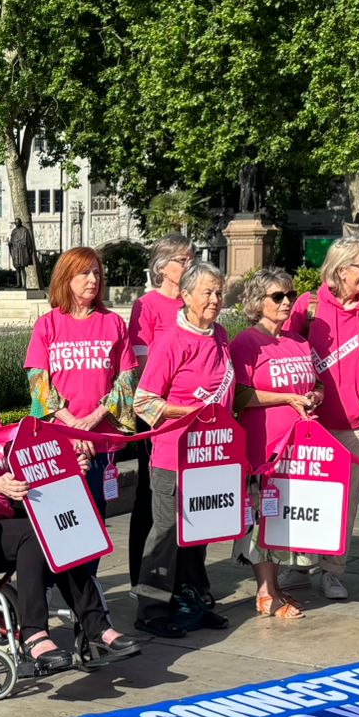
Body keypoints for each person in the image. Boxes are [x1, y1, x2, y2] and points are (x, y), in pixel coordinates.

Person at [0, 344, 140, 667]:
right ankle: (34, 635)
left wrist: (67, 465)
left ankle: (97, 627)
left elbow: (22, 463)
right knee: (35, 535)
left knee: (58, 527)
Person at [287, 238, 359, 598]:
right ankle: (299, 566)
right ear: (341, 269)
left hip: (355, 424)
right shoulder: (308, 306)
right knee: (306, 497)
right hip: (311, 423)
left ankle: (333, 572)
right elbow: (285, 351)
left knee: (344, 503)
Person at [135, 260, 235, 635]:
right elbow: (144, 402)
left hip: (210, 454)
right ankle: (151, 610)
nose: (215, 299)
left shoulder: (220, 334)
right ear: (186, 295)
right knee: (165, 533)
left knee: (199, 531)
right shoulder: (171, 341)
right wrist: (190, 411)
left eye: (219, 292)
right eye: (207, 292)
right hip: (173, 455)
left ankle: (194, 600)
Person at [231, 268, 322, 619]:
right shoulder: (245, 343)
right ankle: (265, 593)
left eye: (290, 295)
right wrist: (286, 398)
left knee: (283, 517)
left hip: (298, 448)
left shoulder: (299, 341)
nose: (287, 302)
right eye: (277, 296)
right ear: (258, 302)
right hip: (263, 446)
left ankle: (276, 586)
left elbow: (317, 382)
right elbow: (239, 395)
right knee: (262, 518)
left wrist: (314, 395)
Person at [26, 246, 128, 514]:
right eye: (84, 273)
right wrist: (75, 428)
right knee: (61, 518)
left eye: (97, 273)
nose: (93, 279)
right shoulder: (47, 325)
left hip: (101, 441)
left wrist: (93, 420)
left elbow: (126, 380)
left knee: (95, 517)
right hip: (58, 441)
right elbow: (39, 384)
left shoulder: (114, 323)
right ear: (66, 278)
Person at [122, 233, 196, 584]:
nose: (189, 264)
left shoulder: (192, 303)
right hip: (158, 413)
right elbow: (141, 363)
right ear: (163, 266)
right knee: (150, 492)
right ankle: (143, 573)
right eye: (183, 259)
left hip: (193, 417)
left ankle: (185, 575)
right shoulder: (148, 305)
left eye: (192, 258)